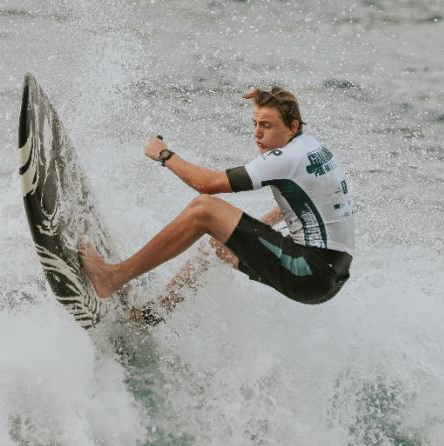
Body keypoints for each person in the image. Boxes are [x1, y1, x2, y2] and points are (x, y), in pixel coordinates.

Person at [80, 85, 355, 316]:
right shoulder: (313, 148)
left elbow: (207, 185)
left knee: (204, 209)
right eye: (255, 124)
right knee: (217, 246)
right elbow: (311, 202)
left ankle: (113, 277)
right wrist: (260, 229)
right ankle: (153, 316)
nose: (257, 133)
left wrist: (163, 154)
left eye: (267, 126)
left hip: (308, 271)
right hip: (327, 275)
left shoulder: (286, 159)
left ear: (292, 126)